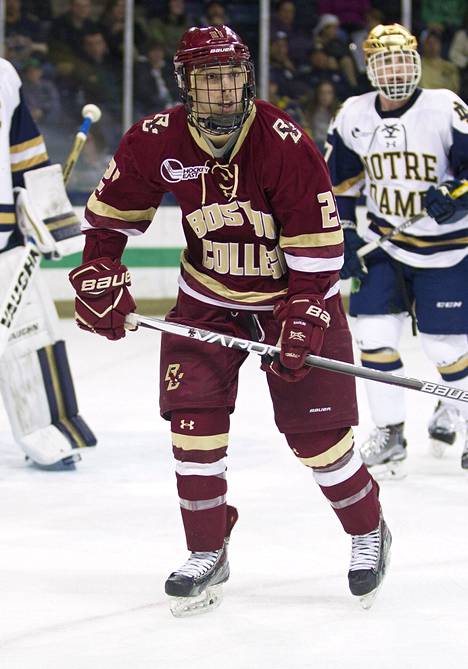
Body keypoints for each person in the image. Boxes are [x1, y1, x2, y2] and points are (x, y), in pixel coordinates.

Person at [69, 25, 391, 616]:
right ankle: (207, 549)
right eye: (208, 78)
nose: (222, 89)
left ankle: (368, 528)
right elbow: (110, 224)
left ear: (247, 76)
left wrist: (303, 317)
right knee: (192, 426)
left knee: (318, 439)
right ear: (186, 83)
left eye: (232, 76)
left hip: (290, 299)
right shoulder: (156, 140)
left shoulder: (285, 142)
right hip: (208, 297)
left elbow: (318, 260)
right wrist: (98, 272)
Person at [326, 23, 468, 477]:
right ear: (370, 68)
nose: (395, 70)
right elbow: (341, 184)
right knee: (372, 336)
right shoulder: (352, 114)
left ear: (417, 64)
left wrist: (455, 194)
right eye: (385, 62)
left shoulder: (445, 107)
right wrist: (346, 235)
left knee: (444, 346)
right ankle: (390, 432)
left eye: (402, 60)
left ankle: (457, 412)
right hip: (385, 243)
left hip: (448, 250)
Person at [0, 56, 96, 470]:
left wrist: (48, 216)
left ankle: (49, 431)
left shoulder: (2, 76)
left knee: (30, 337)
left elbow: (24, 153)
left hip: (5, 238)